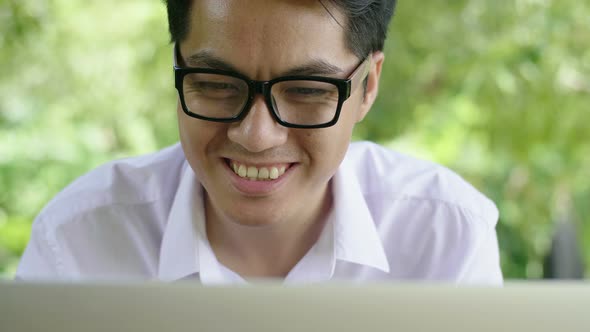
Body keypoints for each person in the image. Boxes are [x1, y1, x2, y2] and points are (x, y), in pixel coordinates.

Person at [16, 0, 503, 284]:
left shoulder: (446, 239)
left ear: (368, 86)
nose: (256, 134)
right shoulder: (77, 244)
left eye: (308, 91)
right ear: (178, 67)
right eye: (215, 83)